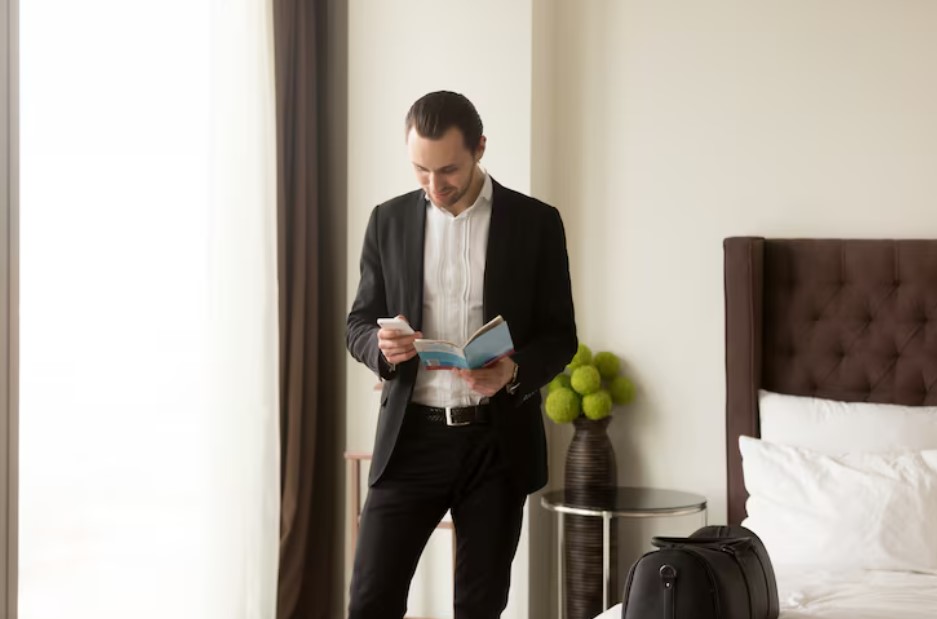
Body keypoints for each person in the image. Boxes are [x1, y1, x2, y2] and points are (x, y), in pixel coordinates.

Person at [346, 91, 577, 619]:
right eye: (420, 170)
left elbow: (560, 335)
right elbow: (357, 323)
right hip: (410, 440)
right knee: (369, 601)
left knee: (479, 606)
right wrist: (381, 348)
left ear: (480, 148)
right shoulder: (387, 220)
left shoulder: (536, 223)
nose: (434, 185)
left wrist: (514, 371)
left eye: (447, 169)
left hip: (497, 443)